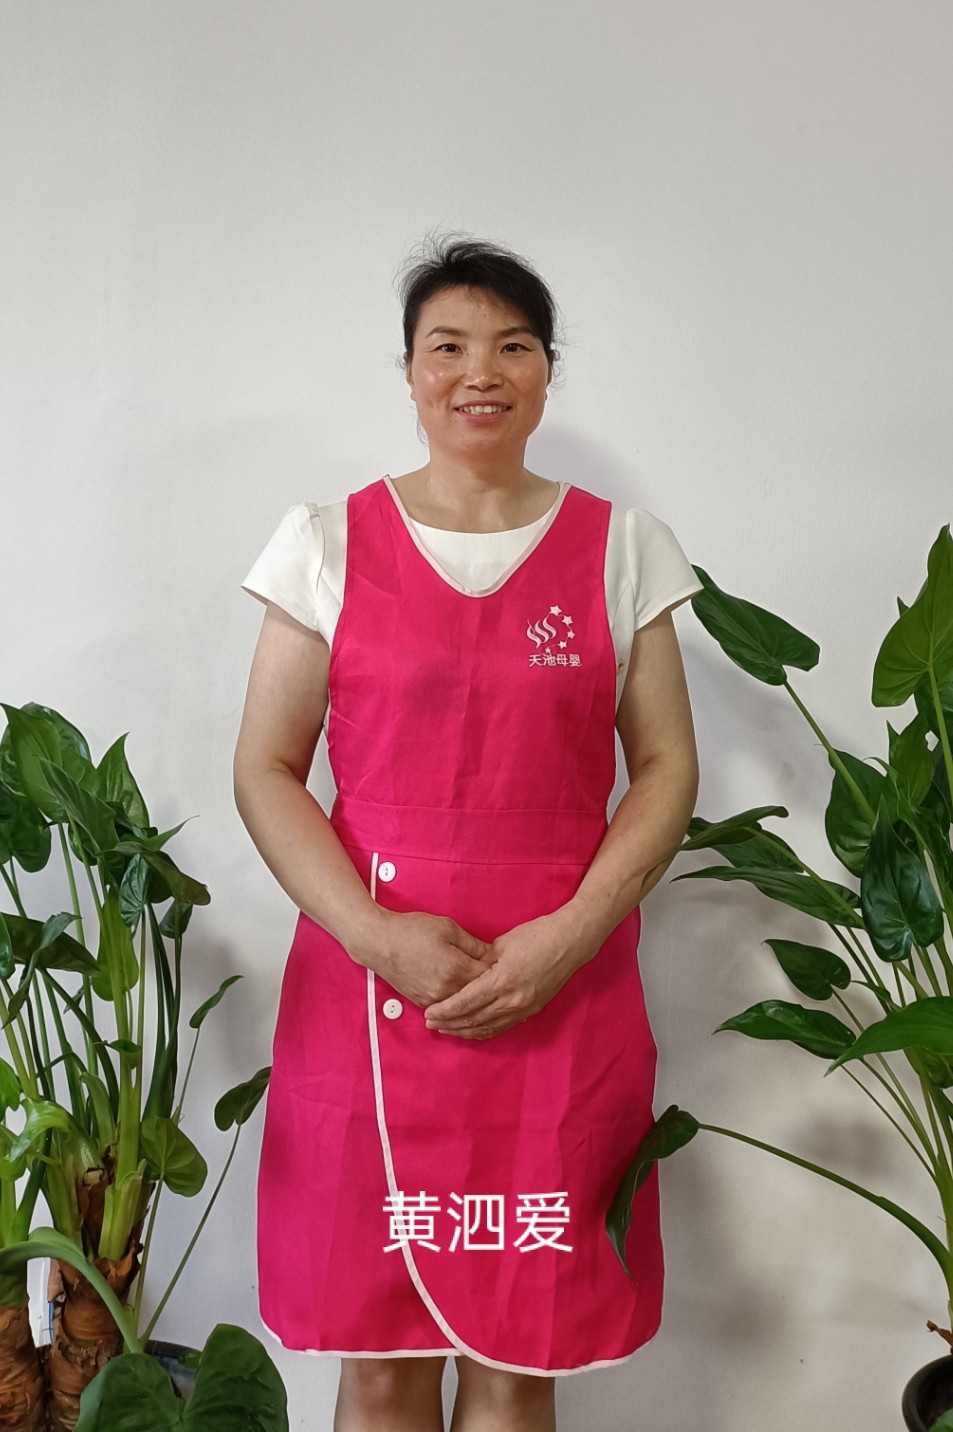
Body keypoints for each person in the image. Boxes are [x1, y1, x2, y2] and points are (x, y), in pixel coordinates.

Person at [233, 236, 701, 1432]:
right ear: (408, 371)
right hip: (368, 993)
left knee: (515, 1356)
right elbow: (266, 769)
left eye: (512, 345)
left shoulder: (622, 549)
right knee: (378, 1358)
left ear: (547, 371)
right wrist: (371, 931)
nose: (479, 371)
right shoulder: (325, 544)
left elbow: (663, 769)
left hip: (559, 992)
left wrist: (569, 934)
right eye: (447, 345)